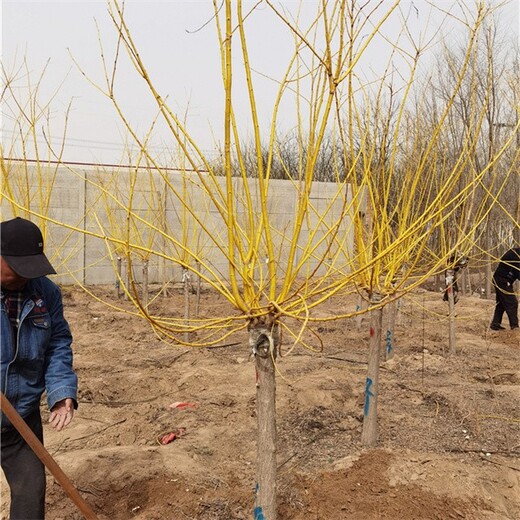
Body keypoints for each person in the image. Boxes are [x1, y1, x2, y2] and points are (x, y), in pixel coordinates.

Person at [1, 217, 78, 520]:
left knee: (30, 494)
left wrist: (61, 392)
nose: (25, 276)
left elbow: (58, 342)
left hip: (21, 415)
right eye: (18, 267)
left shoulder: (46, 293)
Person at [490, 246, 520, 331]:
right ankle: (514, 327)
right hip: (502, 281)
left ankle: (495, 324)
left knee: (501, 304)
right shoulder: (515, 254)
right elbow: (518, 273)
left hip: (501, 280)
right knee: (512, 303)